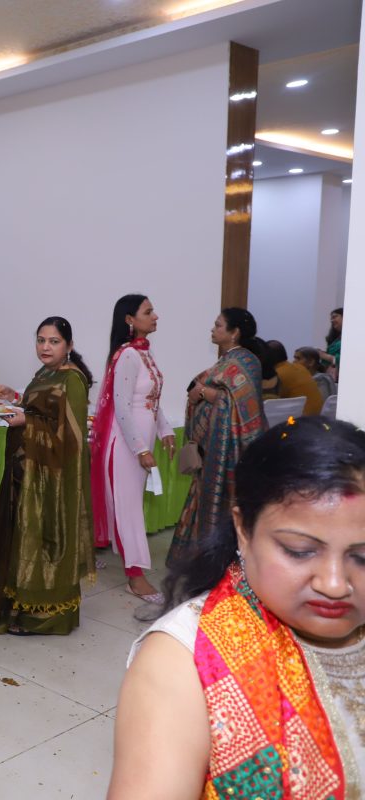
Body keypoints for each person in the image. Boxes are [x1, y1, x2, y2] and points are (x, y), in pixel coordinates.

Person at [109, 417, 365, 799]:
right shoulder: (185, 661)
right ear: (243, 531)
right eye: (299, 551)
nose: (333, 583)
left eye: (362, 556)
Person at [0, 316, 95, 635]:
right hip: (29, 472)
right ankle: (20, 608)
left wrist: (26, 422)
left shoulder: (72, 380)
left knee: (44, 544)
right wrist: (14, 398)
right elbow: (41, 410)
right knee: (24, 541)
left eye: (54, 341)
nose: (45, 347)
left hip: (53, 480)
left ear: (69, 345)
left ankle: (45, 617)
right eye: (41, 340)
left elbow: (71, 437)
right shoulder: (45, 373)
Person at [90, 295, 176, 605]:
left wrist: (165, 429)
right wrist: (140, 449)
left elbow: (152, 400)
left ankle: (88, 555)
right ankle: (135, 577)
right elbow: (122, 406)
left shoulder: (144, 353)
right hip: (125, 446)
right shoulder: (127, 354)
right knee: (128, 509)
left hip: (138, 442)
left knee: (128, 507)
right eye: (148, 311)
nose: (155, 316)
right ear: (130, 319)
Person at [166, 308, 266, 569]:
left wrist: (204, 392)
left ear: (235, 333)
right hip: (211, 448)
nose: (213, 329)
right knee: (205, 498)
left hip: (233, 450)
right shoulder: (226, 360)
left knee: (227, 503)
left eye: (219, 325)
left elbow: (240, 402)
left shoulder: (247, 362)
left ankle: (226, 563)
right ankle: (202, 560)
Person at [264, 340, 322, 416]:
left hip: (299, 420)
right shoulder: (301, 368)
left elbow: (266, 403)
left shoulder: (276, 375)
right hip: (318, 418)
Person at [319, 306, 343, 379]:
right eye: (331, 318)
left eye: (335, 317)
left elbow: (346, 358)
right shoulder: (336, 338)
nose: (332, 320)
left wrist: (325, 356)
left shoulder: (354, 337)